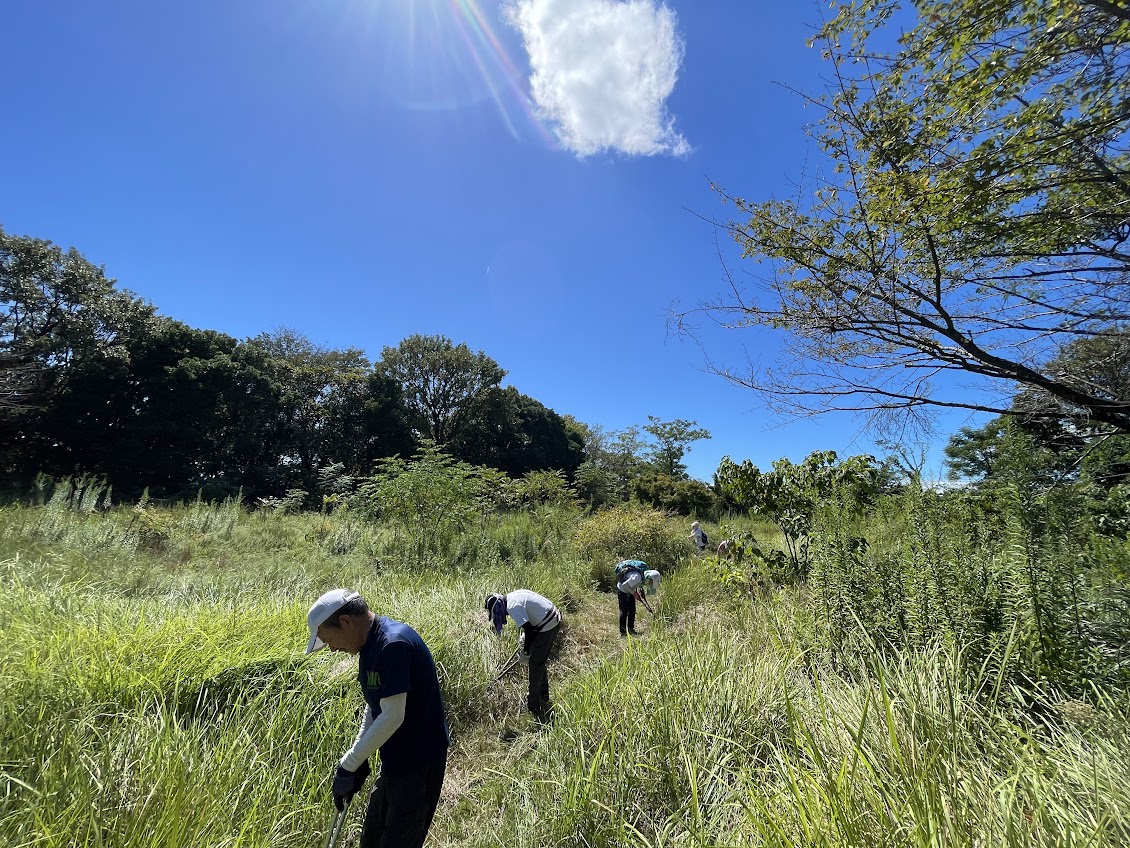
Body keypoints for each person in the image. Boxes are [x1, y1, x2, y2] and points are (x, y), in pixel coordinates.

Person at [305, 588, 450, 848]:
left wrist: (349, 764)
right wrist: (356, 758)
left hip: (419, 762)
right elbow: (375, 708)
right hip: (396, 760)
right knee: (371, 838)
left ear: (346, 622)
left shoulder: (393, 644)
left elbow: (393, 715)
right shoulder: (369, 647)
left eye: (329, 641)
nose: (331, 649)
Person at [484, 589, 561, 722]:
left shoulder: (512, 607)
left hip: (548, 624)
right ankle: (543, 695)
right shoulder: (512, 597)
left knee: (535, 664)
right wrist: (527, 638)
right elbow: (530, 624)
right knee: (539, 660)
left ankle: (533, 705)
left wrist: (525, 652)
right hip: (550, 618)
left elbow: (529, 630)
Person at [613, 559, 647, 637]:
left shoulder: (643, 575)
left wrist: (640, 591)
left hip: (630, 589)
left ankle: (631, 629)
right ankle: (623, 632)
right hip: (622, 589)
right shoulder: (637, 577)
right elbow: (625, 585)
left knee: (632, 610)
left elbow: (638, 584)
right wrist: (634, 594)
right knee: (624, 611)